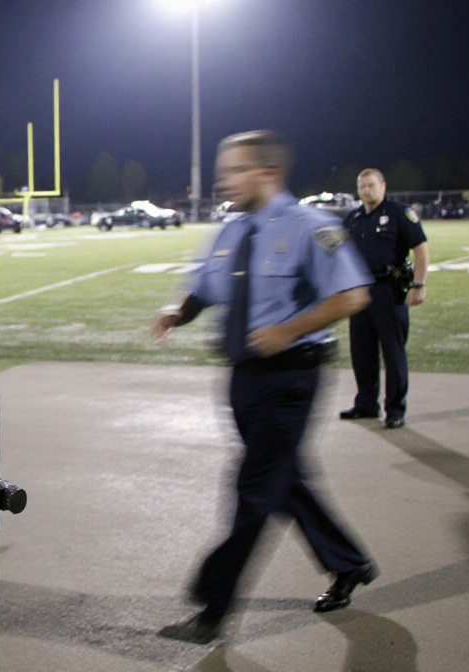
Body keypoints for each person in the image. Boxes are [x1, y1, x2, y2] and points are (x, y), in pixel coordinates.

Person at [150, 130, 378, 644]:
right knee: (282, 479)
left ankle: (214, 603)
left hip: (291, 377)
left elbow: (353, 295)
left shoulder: (311, 226)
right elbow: (203, 286)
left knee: (253, 488)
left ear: (267, 173)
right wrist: (175, 311)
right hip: (243, 378)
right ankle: (349, 563)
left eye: (233, 171)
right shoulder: (232, 230)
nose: (223, 181)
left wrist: (288, 330)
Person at [339, 169, 429, 429]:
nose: (366, 190)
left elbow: (421, 250)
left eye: (371, 185)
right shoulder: (353, 218)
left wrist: (419, 285)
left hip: (389, 291)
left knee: (393, 352)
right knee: (362, 352)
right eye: (362, 186)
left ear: (383, 186)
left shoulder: (400, 214)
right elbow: (341, 252)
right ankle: (366, 404)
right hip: (359, 292)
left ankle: (395, 410)